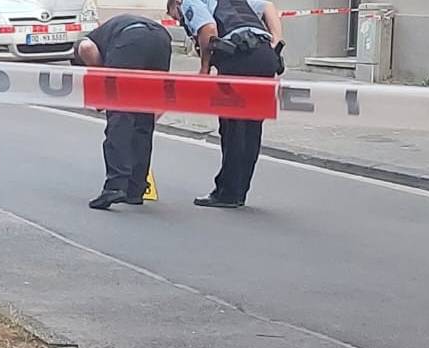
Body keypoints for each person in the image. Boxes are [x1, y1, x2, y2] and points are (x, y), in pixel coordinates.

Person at [170, 0, 280, 208]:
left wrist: (204, 68)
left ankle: (227, 194)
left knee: (233, 127)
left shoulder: (189, 2)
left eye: (176, 16)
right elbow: (268, 7)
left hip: (238, 58)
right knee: (251, 127)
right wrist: (276, 41)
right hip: (265, 56)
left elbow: (208, 29)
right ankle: (239, 192)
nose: (180, 21)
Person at [79, 15, 175, 210]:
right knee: (144, 116)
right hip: (161, 40)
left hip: (129, 42)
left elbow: (87, 50)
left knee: (120, 116)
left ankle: (115, 186)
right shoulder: (112, 28)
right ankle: (136, 189)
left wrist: (103, 91)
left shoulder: (89, 41)